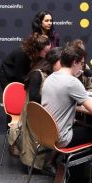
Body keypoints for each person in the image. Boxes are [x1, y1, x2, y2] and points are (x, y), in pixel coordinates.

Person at [41, 43, 92, 183]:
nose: (82, 68)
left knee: (88, 127)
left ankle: (74, 168)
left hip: (47, 133)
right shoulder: (72, 82)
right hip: (63, 137)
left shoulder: (51, 77)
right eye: (81, 64)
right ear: (74, 62)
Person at [19, 47, 62, 175]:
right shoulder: (37, 74)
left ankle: (48, 163)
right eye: (62, 62)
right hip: (34, 114)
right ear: (53, 61)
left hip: (46, 112)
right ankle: (36, 165)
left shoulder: (53, 75)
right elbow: (34, 97)